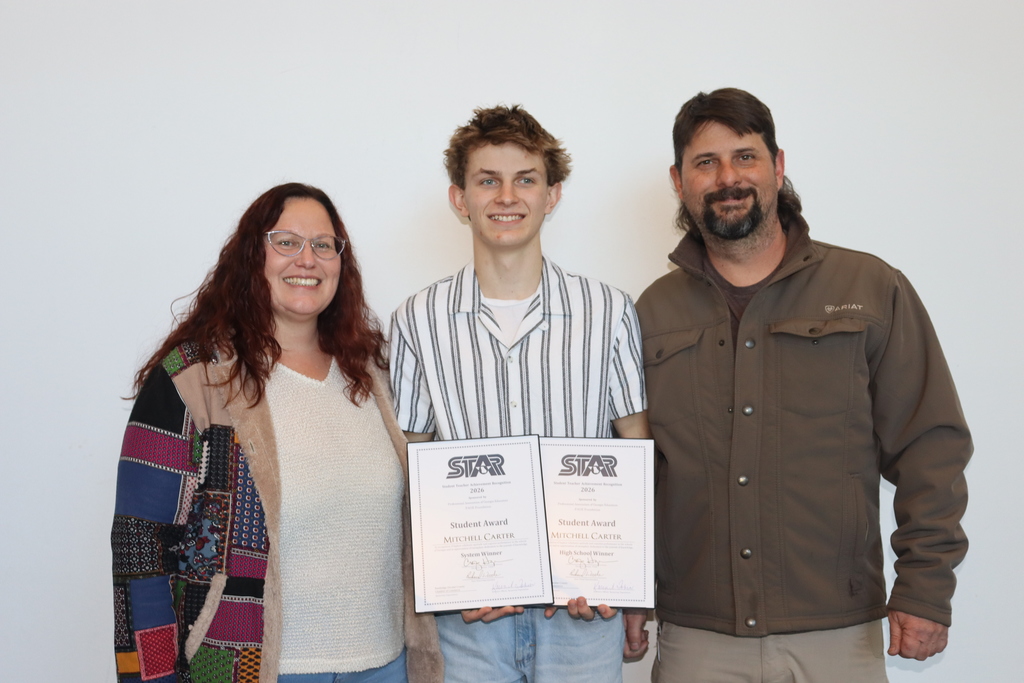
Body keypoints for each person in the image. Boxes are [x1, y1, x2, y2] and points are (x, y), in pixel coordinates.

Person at [635, 88, 972, 682]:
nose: (727, 178)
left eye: (745, 157)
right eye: (705, 162)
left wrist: (924, 589)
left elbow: (929, 447)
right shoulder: (651, 313)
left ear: (778, 166)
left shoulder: (870, 288)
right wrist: (624, 587)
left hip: (837, 634)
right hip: (698, 636)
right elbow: (630, 468)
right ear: (678, 179)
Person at [111, 183, 443, 683]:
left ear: (341, 263)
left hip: (385, 665)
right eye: (286, 242)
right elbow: (140, 546)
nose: (306, 259)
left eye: (323, 245)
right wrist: (149, 678)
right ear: (252, 255)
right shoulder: (194, 378)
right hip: (245, 668)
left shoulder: (379, 377)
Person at [389, 105, 651, 683]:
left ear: (552, 195)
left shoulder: (607, 311)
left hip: (584, 610)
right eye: (488, 180)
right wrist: (436, 583)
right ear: (460, 198)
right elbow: (408, 464)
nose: (507, 196)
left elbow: (636, 447)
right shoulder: (417, 319)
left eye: (525, 180)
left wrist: (633, 589)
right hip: (467, 617)